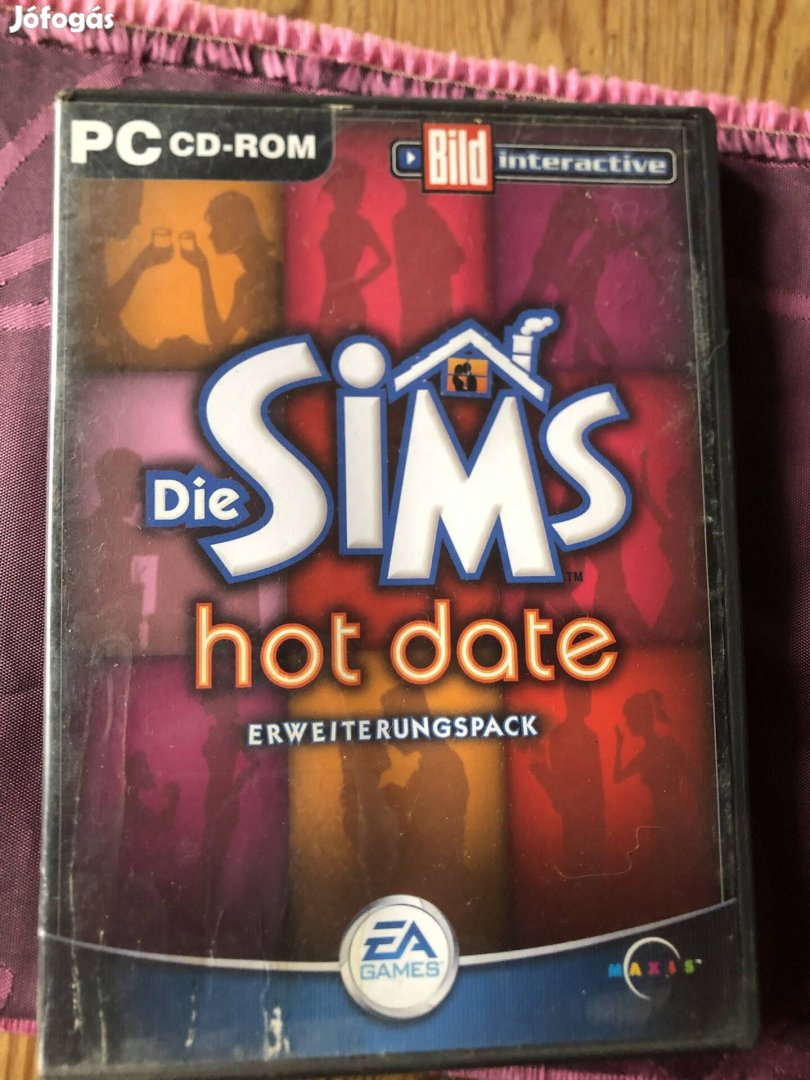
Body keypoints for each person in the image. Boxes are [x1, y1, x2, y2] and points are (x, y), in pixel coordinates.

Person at [181, 190, 281, 349]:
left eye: (216, 227)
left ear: (239, 229)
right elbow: (219, 337)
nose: (210, 236)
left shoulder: (267, 277)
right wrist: (203, 269)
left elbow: (219, 339)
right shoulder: (246, 283)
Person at [318, 159, 390, 336]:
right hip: (330, 297)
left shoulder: (361, 225)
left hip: (348, 300)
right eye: (335, 192)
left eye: (343, 191)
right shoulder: (331, 222)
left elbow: (385, 259)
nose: (337, 196)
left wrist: (360, 283)